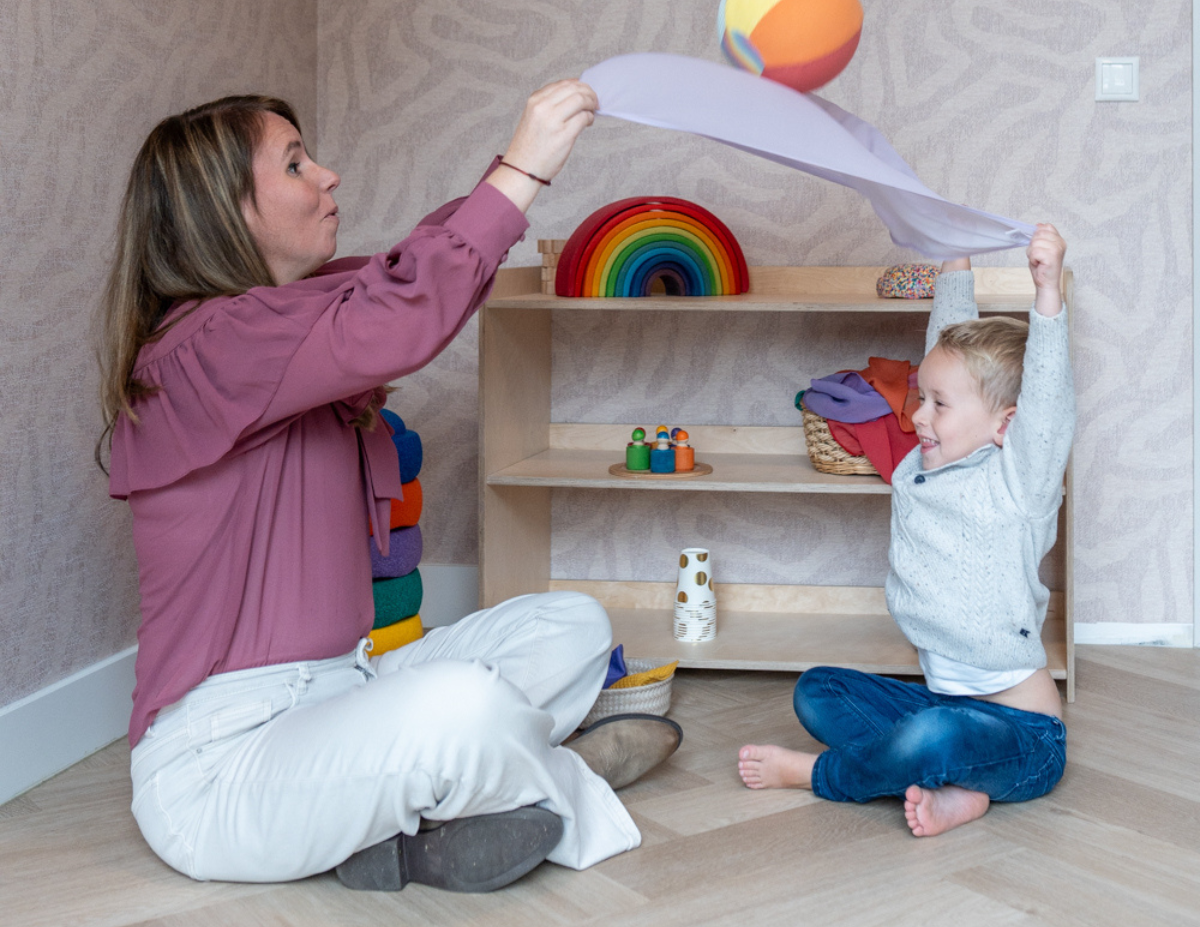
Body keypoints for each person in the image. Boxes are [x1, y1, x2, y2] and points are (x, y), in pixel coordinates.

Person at [98, 83, 682, 891]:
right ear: (222, 212)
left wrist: (504, 181)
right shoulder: (205, 348)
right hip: (224, 767)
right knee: (463, 706)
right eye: (295, 165)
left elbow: (413, 270)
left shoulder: (282, 319)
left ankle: (449, 799)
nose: (327, 175)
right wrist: (524, 169)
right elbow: (400, 313)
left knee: (571, 624)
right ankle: (544, 777)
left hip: (350, 684)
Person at [738, 225, 1072, 838]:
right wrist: (954, 257)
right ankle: (957, 789)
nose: (917, 415)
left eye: (939, 406)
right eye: (924, 398)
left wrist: (1047, 293)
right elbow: (945, 348)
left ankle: (823, 775)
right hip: (939, 706)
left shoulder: (1018, 485)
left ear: (1005, 425)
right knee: (817, 690)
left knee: (934, 735)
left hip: (1025, 738)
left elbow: (1048, 408)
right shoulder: (924, 467)